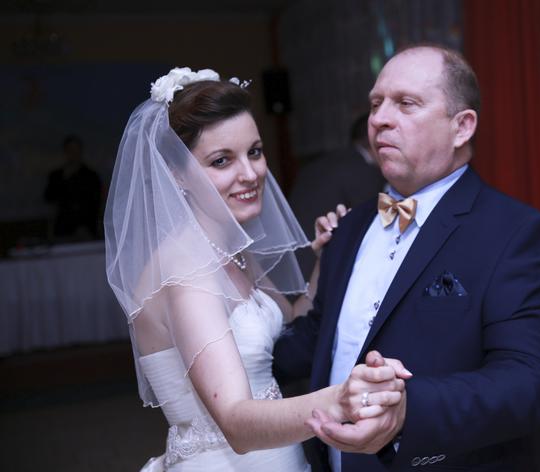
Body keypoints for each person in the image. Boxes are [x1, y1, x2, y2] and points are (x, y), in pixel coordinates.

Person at [273, 45, 540, 471]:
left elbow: (529, 383)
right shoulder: (349, 227)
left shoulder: (515, 233)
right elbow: (318, 341)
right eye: (376, 103)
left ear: (462, 127)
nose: (379, 118)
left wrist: (409, 409)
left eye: (406, 103)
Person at [104, 67, 408, 471]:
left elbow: (290, 320)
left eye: (255, 152)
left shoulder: (233, 253)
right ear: (176, 174)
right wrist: (340, 400)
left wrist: (324, 261)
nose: (250, 174)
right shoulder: (187, 272)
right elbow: (235, 423)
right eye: (221, 160)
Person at [289, 112, 386, 278]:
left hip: (294, 251)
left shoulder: (323, 162)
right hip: (319, 257)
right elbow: (374, 223)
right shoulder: (363, 171)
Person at [44, 134, 103, 239]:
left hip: (87, 228)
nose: (73, 153)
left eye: (76, 150)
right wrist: (65, 178)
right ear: (65, 152)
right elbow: (49, 197)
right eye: (70, 150)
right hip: (62, 228)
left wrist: (88, 227)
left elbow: (96, 203)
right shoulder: (56, 176)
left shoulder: (91, 176)